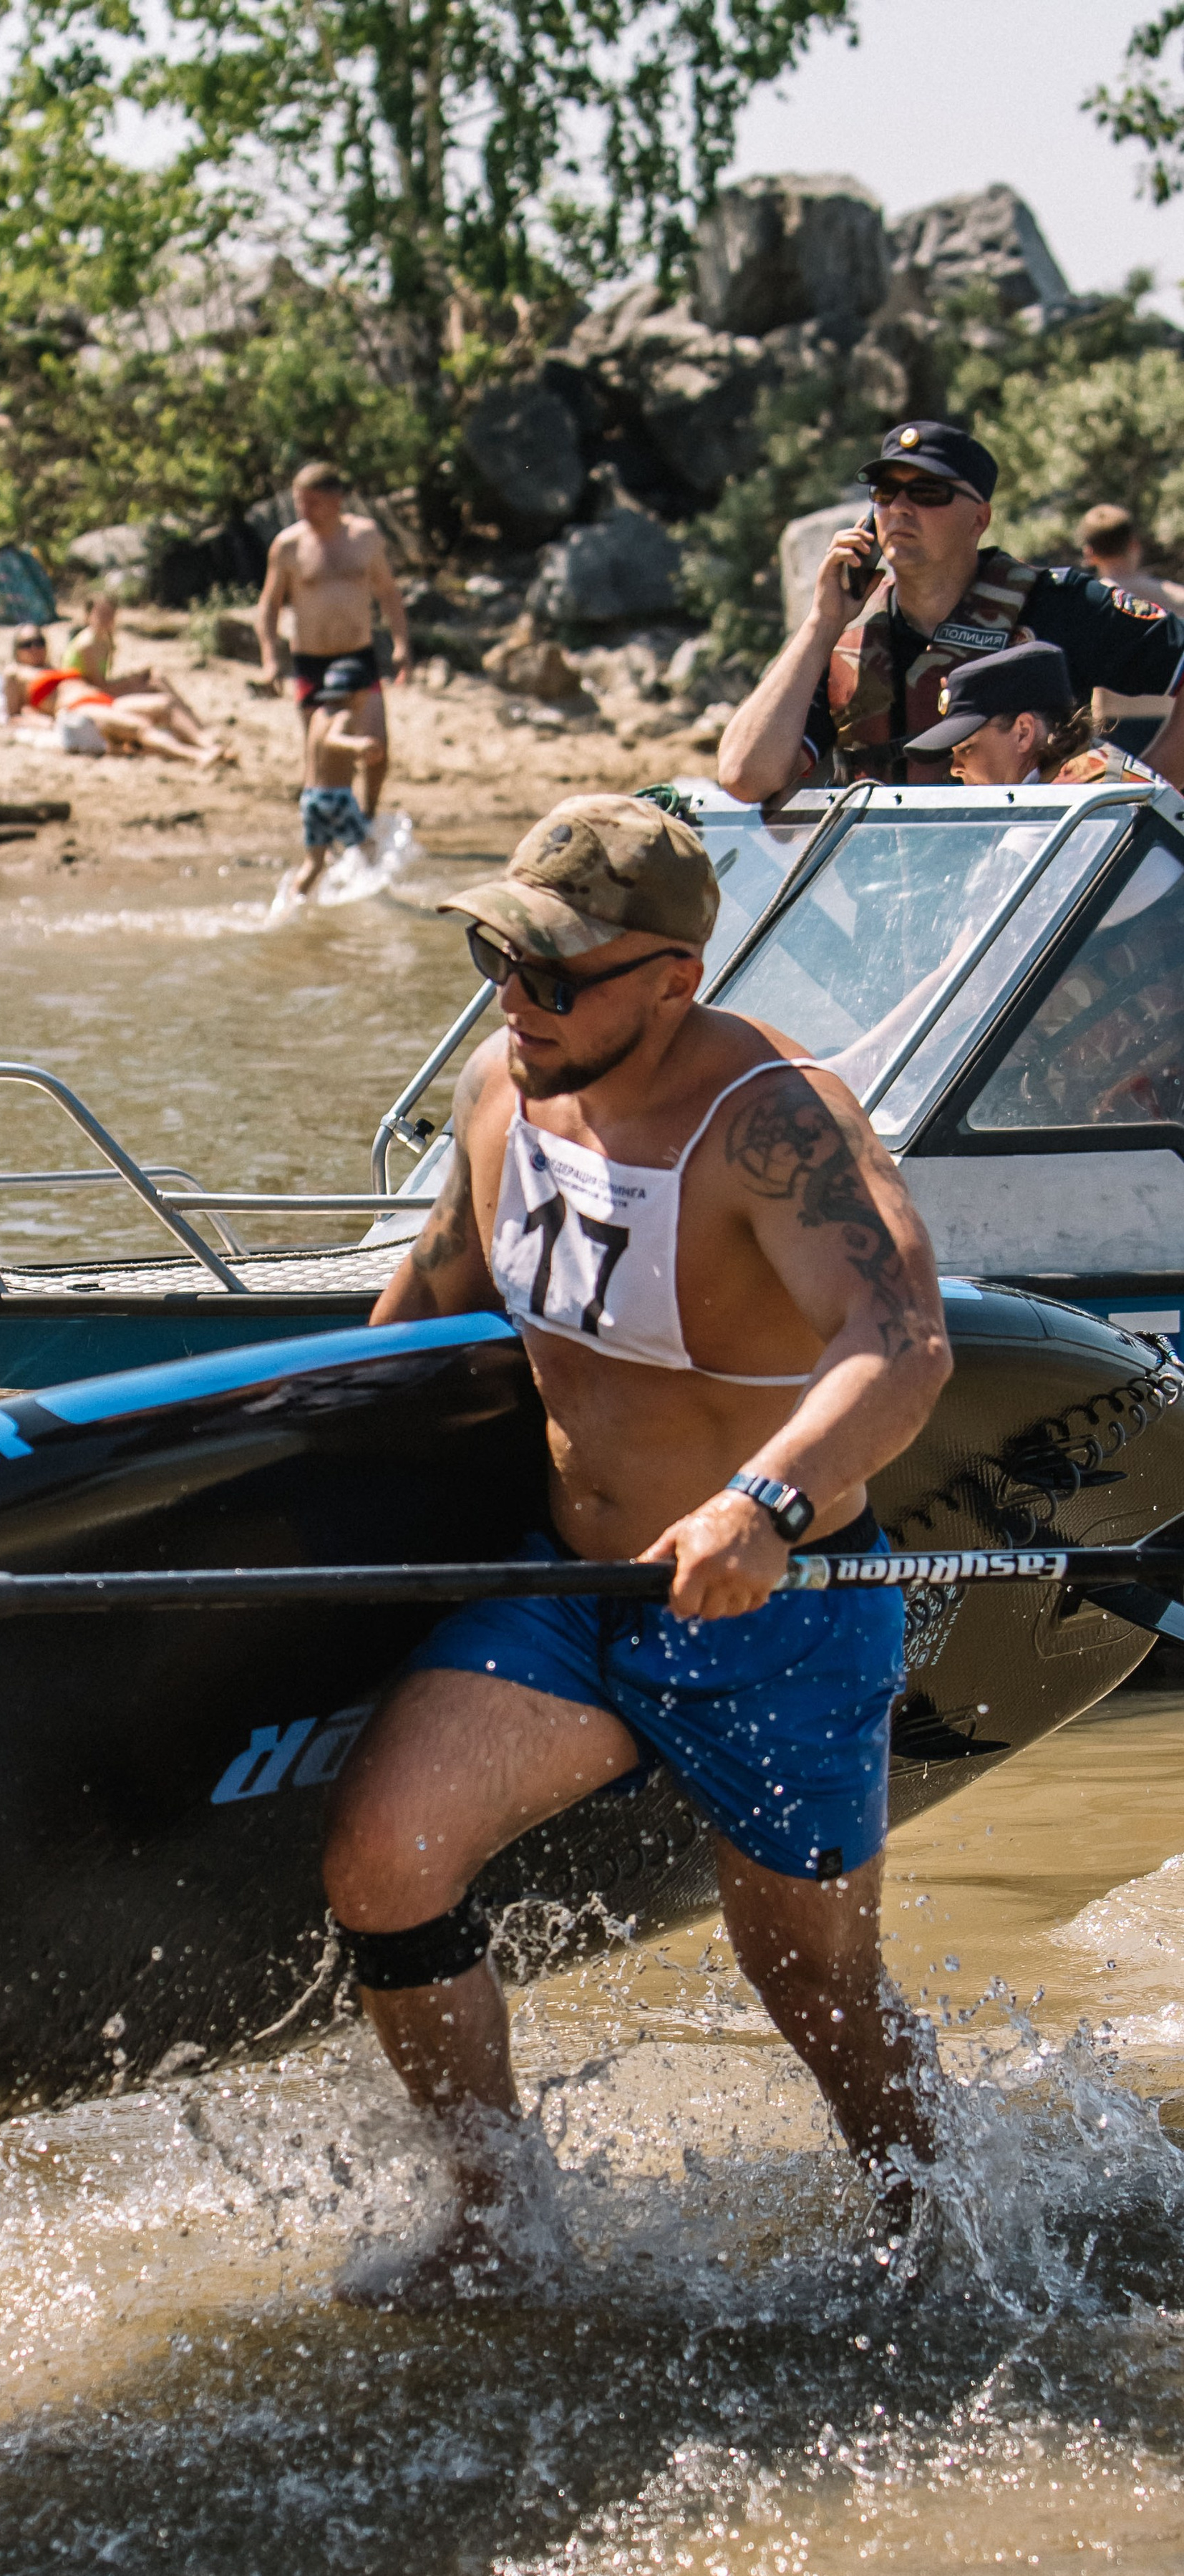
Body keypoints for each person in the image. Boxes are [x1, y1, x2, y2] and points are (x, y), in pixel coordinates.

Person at [320, 792, 952, 2296]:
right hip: (570, 1594)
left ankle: (933, 2241)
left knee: (812, 1990)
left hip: (772, 1614)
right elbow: (411, 1326)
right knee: (382, 1860)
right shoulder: (497, 1086)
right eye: (495, 955)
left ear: (671, 980)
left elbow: (902, 1343)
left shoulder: (776, 1123)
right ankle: (499, 2227)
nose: (511, 1001)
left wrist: (765, 1503)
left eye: (551, 974)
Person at [718, 422, 1184, 801]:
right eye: (884, 492)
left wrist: (1144, 801)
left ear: (979, 519)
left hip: (1040, 895)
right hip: (888, 900)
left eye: (927, 492)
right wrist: (821, 624)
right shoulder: (843, 641)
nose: (899, 507)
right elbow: (744, 776)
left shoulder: (1060, 606)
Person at [253, 462, 409, 816]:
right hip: (313, 662)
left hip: (359, 658)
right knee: (328, 759)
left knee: (376, 750)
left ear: (337, 499)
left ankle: (368, 815)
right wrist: (270, 658)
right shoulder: (288, 545)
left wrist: (401, 646)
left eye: (312, 503)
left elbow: (388, 593)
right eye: (299, 503)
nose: (304, 511)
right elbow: (269, 605)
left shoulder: (366, 537)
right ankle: (331, 836)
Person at [901, 639, 1149, 788]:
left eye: (967, 748)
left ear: (1023, 732)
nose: (955, 769)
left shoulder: (1073, 803)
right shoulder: (1078, 779)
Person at [4, 626, 233, 765]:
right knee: (138, 725)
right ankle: (196, 756)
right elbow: (13, 715)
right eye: (27, 644)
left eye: (39, 642)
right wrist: (43, 722)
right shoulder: (16, 673)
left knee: (164, 704)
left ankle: (207, 743)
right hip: (77, 708)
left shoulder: (55, 667)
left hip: (103, 701)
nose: (35, 648)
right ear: (16, 651)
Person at [1075, 505, 1184, 760]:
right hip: (1173, 724)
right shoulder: (1178, 598)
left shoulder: (1087, 603)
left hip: (1114, 728)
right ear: (1134, 544)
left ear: (1090, 553)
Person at [292, 663, 386, 896]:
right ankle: (377, 898)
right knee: (369, 849)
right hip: (335, 798)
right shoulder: (345, 716)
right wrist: (359, 744)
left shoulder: (318, 715)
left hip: (310, 798)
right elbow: (332, 740)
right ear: (356, 694)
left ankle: (293, 902)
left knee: (314, 864)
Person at [64, 594, 155, 694]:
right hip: (83, 695)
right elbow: (99, 688)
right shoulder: (87, 644)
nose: (106, 618)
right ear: (89, 615)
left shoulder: (104, 639)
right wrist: (131, 679)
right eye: (101, 614)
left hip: (95, 691)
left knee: (156, 679)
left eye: (110, 614)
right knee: (153, 687)